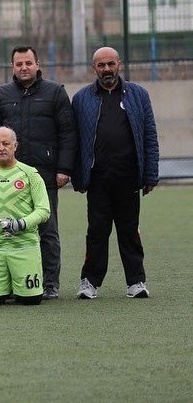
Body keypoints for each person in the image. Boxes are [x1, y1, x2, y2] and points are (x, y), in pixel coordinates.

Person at [0, 46, 77, 300]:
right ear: (12, 66)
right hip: (7, 178)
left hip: (44, 175)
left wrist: (64, 168)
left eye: (28, 62)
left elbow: (68, 133)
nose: (23, 67)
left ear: (38, 64)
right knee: (8, 231)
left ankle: (49, 283)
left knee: (46, 230)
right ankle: (15, 284)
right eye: (18, 64)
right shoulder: (2, 94)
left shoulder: (55, 92)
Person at [72, 47, 159, 300]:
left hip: (129, 177)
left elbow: (149, 136)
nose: (107, 69)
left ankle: (136, 282)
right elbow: (75, 140)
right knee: (96, 231)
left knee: (129, 230)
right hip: (97, 178)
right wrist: (79, 176)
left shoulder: (139, 95)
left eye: (111, 63)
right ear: (94, 68)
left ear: (119, 64)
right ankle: (89, 282)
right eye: (101, 65)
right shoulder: (81, 98)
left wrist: (150, 174)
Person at [0, 127, 49, 305]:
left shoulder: (30, 174)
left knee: (30, 300)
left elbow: (44, 210)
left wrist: (20, 224)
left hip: (24, 245)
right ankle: (5, 284)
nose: (1, 148)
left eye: (6, 143)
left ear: (15, 146)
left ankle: (18, 285)